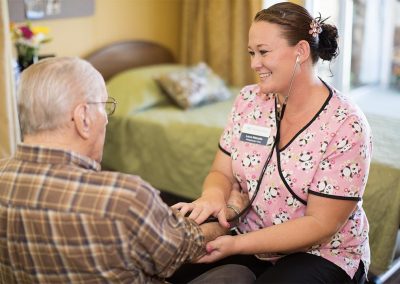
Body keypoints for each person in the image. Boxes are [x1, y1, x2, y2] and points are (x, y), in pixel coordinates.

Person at [0, 57, 254, 284]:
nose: (107, 118)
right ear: (83, 118)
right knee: (238, 274)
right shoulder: (123, 198)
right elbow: (190, 246)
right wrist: (231, 212)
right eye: (104, 106)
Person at [171, 2, 372, 283]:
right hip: (251, 235)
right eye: (252, 53)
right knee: (172, 268)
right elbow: (221, 172)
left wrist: (236, 245)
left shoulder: (346, 124)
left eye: (263, 52)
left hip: (322, 252)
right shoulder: (248, 100)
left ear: (301, 51)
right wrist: (213, 196)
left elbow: (321, 225)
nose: (254, 64)